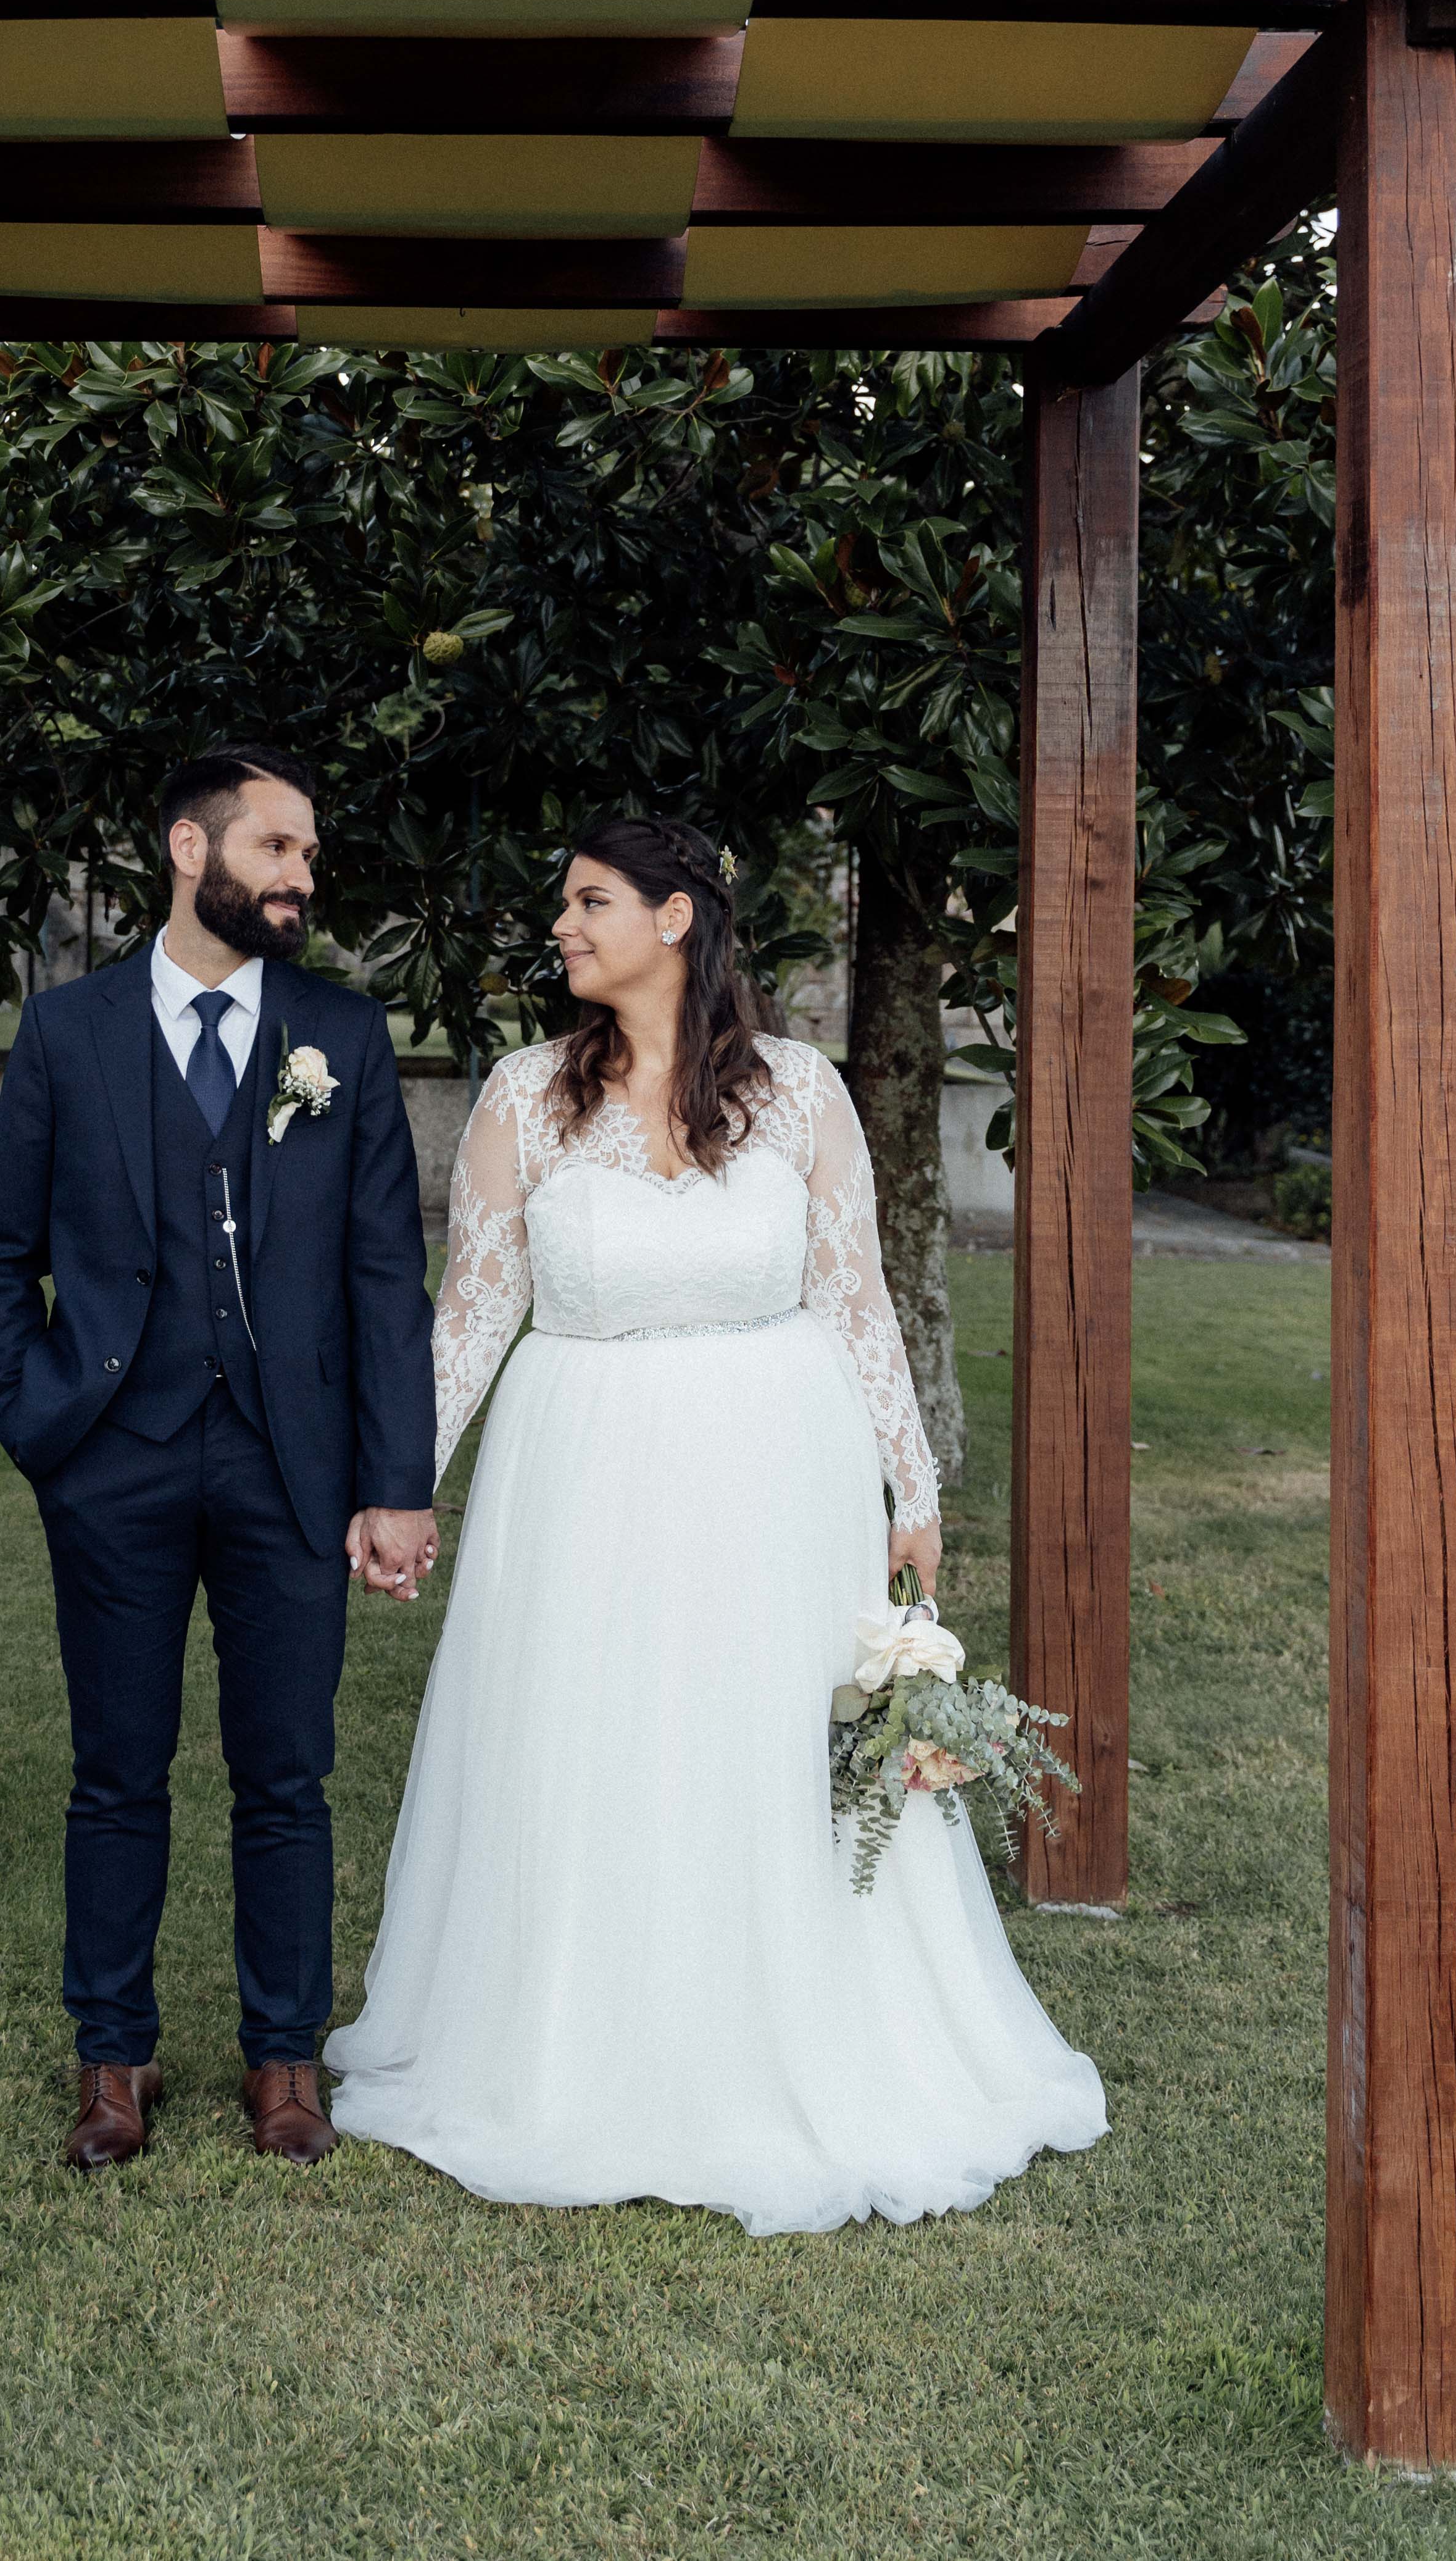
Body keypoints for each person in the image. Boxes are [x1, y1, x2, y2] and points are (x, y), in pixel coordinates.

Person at [325, 813, 1107, 2233]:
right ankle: (576, 2043)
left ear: (674, 918)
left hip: (773, 1468)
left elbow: (854, 1295)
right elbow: (473, 1316)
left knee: (756, 1741)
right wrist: (403, 1487)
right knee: (591, 1738)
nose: (561, 926)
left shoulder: (800, 1092)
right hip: (580, 1475)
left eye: (589, 901)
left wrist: (910, 1483)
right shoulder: (520, 1097)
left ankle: (788, 2029)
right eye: (562, 904)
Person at [0, 743, 436, 2171]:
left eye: (307, 856)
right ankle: (113, 2059)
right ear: (190, 849)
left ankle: (282, 2060)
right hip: (113, 1462)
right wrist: (31, 1411)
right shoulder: (66, 1034)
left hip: (289, 1466)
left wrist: (394, 1481)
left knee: (285, 1773)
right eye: (279, 850)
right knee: (117, 1770)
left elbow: (382, 1280)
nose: (303, 879)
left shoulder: (341, 1041)